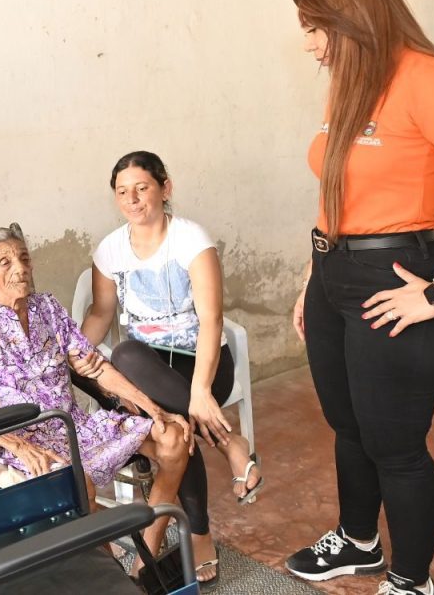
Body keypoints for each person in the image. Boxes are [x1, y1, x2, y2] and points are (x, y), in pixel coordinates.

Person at [284, 0, 434, 595]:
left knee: (395, 443)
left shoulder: (427, 78)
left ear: (353, 15)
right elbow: (337, 189)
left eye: (316, 28)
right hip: (332, 276)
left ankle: (411, 581)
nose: (311, 45)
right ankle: (359, 540)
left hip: (397, 277)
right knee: (349, 427)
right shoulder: (351, 82)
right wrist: (311, 278)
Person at [0, 225, 193, 559]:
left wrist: (151, 407)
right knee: (79, 485)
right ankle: (111, 576)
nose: (20, 268)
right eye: (5, 262)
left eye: (23, 258)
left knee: (173, 439)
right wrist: (20, 446)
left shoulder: (47, 308)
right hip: (19, 441)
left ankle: (145, 563)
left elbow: (92, 365)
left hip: (74, 427)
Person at [79, 150, 262, 591]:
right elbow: (102, 314)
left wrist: (200, 389)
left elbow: (212, 320)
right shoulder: (111, 249)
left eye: (142, 188)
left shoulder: (190, 239)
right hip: (148, 368)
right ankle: (228, 443)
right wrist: (72, 353)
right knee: (125, 358)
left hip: (204, 362)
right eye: (122, 192)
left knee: (171, 414)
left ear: (165, 187)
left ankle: (197, 533)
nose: (133, 199)